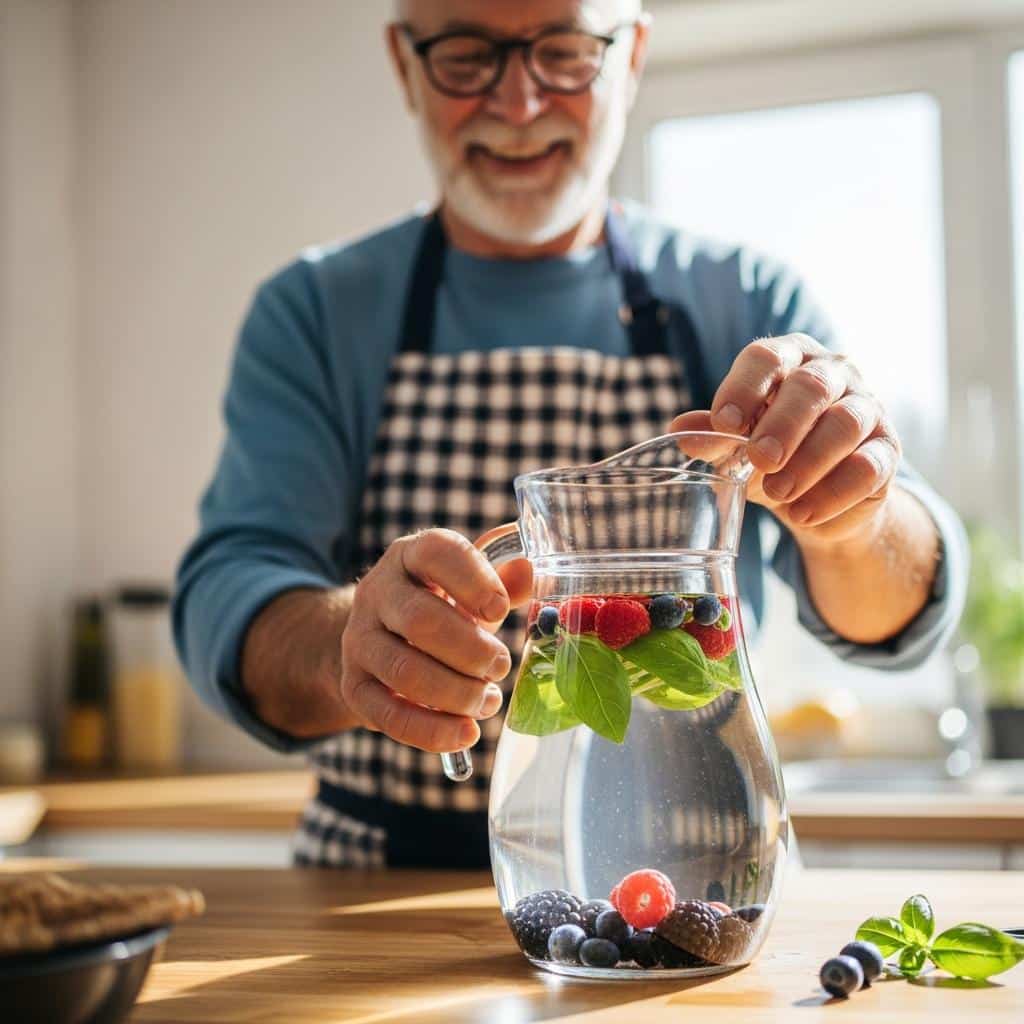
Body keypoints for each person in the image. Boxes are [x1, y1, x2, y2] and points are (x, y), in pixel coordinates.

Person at [173, 0, 966, 868]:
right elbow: (231, 589)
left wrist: (855, 522)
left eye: (565, 52)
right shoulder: (319, 311)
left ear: (631, 58)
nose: (518, 105)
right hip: (368, 884)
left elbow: (899, 607)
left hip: (696, 885)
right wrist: (350, 646)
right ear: (404, 63)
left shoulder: (743, 303)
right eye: (467, 57)